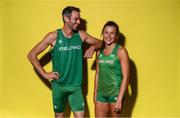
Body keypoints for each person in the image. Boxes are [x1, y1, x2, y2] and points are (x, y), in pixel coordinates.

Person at [27, 6, 102, 118]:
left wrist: (92, 47)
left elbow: (100, 43)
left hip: (75, 86)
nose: (79, 22)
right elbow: (31, 54)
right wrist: (44, 73)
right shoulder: (54, 36)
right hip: (59, 86)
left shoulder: (81, 35)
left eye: (79, 19)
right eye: (76, 19)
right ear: (66, 19)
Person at [93, 21, 130, 117]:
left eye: (112, 33)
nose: (108, 36)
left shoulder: (121, 51)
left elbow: (126, 77)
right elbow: (97, 73)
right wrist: (95, 94)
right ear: (103, 33)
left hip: (115, 94)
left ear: (116, 36)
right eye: (106, 32)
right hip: (101, 95)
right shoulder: (99, 52)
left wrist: (120, 99)